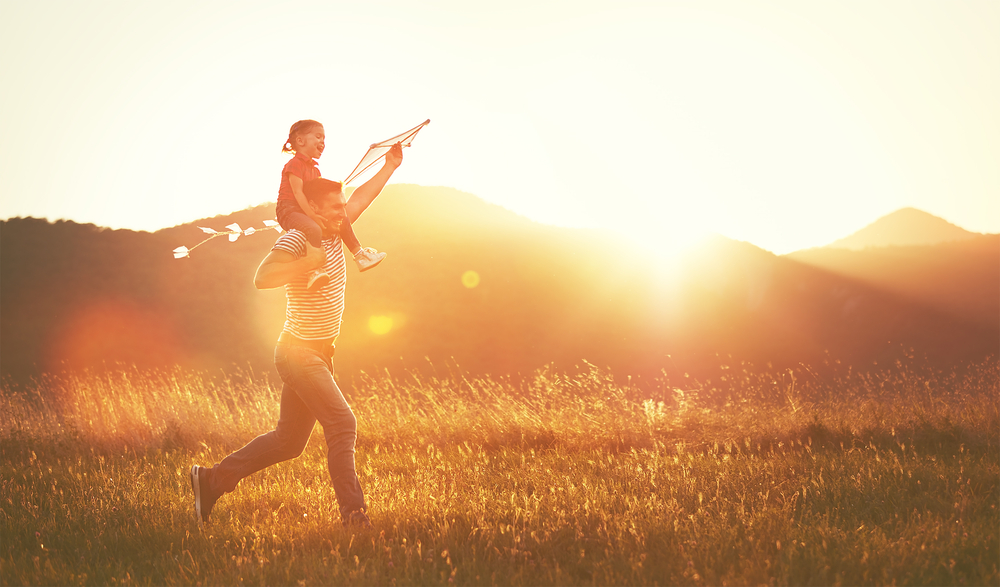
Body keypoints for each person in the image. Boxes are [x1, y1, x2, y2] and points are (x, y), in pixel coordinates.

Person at [189, 143, 404, 530]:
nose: (342, 213)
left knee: (289, 442)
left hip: (319, 353)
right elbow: (262, 277)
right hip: (298, 353)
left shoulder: (336, 232)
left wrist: (389, 165)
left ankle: (211, 480)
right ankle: (354, 518)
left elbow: (362, 197)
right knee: (343, 425)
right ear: (313, 209)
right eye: (334, 207)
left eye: (342, 206)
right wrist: (307, 263)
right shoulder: (297, 238)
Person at [277, 119, 386, 290]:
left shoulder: (315, 170)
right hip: (289, 210)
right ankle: (313, 270)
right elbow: (298, 193)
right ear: (300, 141)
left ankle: (360, 255)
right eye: (318, 137)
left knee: (343, 218)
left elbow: (317, 196)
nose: (322, 142)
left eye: (324, 138)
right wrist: (312, 215)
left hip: (307, 209)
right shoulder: (294, 164)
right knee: (313, 228)